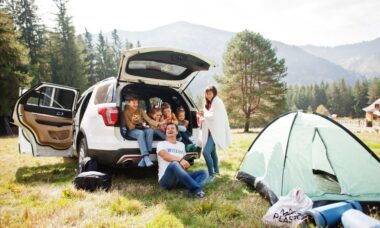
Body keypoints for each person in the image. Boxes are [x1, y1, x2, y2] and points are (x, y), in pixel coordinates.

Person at [157, 123, 208, 199]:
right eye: (168, 129)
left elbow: (183, 163)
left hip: (180, 179)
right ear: (166, 132)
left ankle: (190, 191)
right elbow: (165, 156)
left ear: (177, 132)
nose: (170, 130)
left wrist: (186, 165)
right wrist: (180, 160)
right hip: (166, 180)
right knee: (174, 164)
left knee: (203, 173)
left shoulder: (181, 145)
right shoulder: (161, 144)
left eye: (172, 128)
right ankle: (197, 190)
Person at [200, 86, 232, 182]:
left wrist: (204, 114)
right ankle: (217, 172)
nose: (208, 95)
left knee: (205, 152)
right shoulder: (208, 103)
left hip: (215, 133)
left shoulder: (217, 102)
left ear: (214, 93)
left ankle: (211, 174)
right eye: (207, 93)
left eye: (210, 93)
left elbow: (214, 116)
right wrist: (204, 115)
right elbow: (208, 116)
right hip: (209, 132)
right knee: (213, 152)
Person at [123, 94, 164, 167]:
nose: (136, 104)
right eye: (134, 103)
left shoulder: (140, 110)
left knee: (150, 130)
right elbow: (130, 128)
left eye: (137, 102)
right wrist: (133, 121)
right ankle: (145, 156)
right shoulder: (125, 112)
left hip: (140, 128)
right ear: (128, 103)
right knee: (140, 133)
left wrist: (159, 123)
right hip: (131, 130)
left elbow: (149, 119)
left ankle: (145, 158)